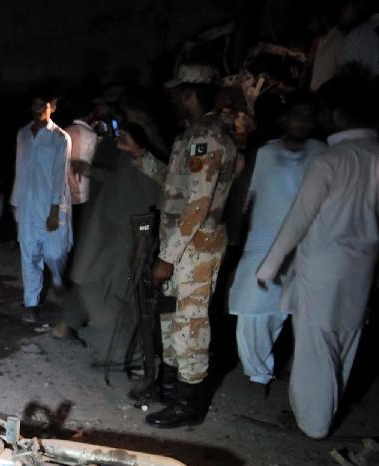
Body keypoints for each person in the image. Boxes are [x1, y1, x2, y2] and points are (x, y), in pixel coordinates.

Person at [256, 70, 378, 439]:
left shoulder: (332, 159)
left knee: (316, 346)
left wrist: (270, 265)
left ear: (338, 113)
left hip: (324, 265)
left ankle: (312, 423)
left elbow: (299, 219)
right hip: (364, 267)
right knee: (346, 340)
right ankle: (324, 412)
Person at [145, 65, 238, 428]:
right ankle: (169, 391)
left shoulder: (208, 139)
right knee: (172, 319)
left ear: (188, 94)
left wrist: (167, 257)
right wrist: (139, 154)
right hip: (181, 242)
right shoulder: (193, 136)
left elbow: (198, 204)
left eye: (175, 95)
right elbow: (174, 186)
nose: (172, 101)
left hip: (195, 248)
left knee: (190, 325)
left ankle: (190, 404)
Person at [228, 94, 326, 387]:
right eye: (298, 114)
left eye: (309, 116)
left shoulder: (322, 153)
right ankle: (258, 373)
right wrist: (233, 240)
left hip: (306, 246)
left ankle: (278, 374)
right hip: (262, 244)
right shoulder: (266, 153)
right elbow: (245, 197)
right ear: (284, 119)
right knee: (250, 311)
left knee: (286, 312)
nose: (302, 122)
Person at [54, 123, 165, 341]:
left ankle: (82, 327)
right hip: (110, 226)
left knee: (112, 281)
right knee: (95, 279)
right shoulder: (129, 152)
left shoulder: (152, 151)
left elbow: (160, 190)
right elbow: (118, 179)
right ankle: (89, 330)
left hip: (131, 229)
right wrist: (92, 171)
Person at [10, 92, 72, 323]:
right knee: (29, 257)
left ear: (52, 106)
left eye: (43, 105)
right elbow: (19, 168)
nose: (38, 109)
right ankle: (31, 303)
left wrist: (55, 209)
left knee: (55, 253)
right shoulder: (23, 134)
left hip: (50, 203)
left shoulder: (61, 138)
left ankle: (57, 277)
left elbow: (60, 175)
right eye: (35, 104)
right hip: (26, 204)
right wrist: (14, 202)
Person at [64, 97, 98, 218]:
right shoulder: (92, 135)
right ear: (90, 114)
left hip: (65, 193)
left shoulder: (62, 132)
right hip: (85, 193)